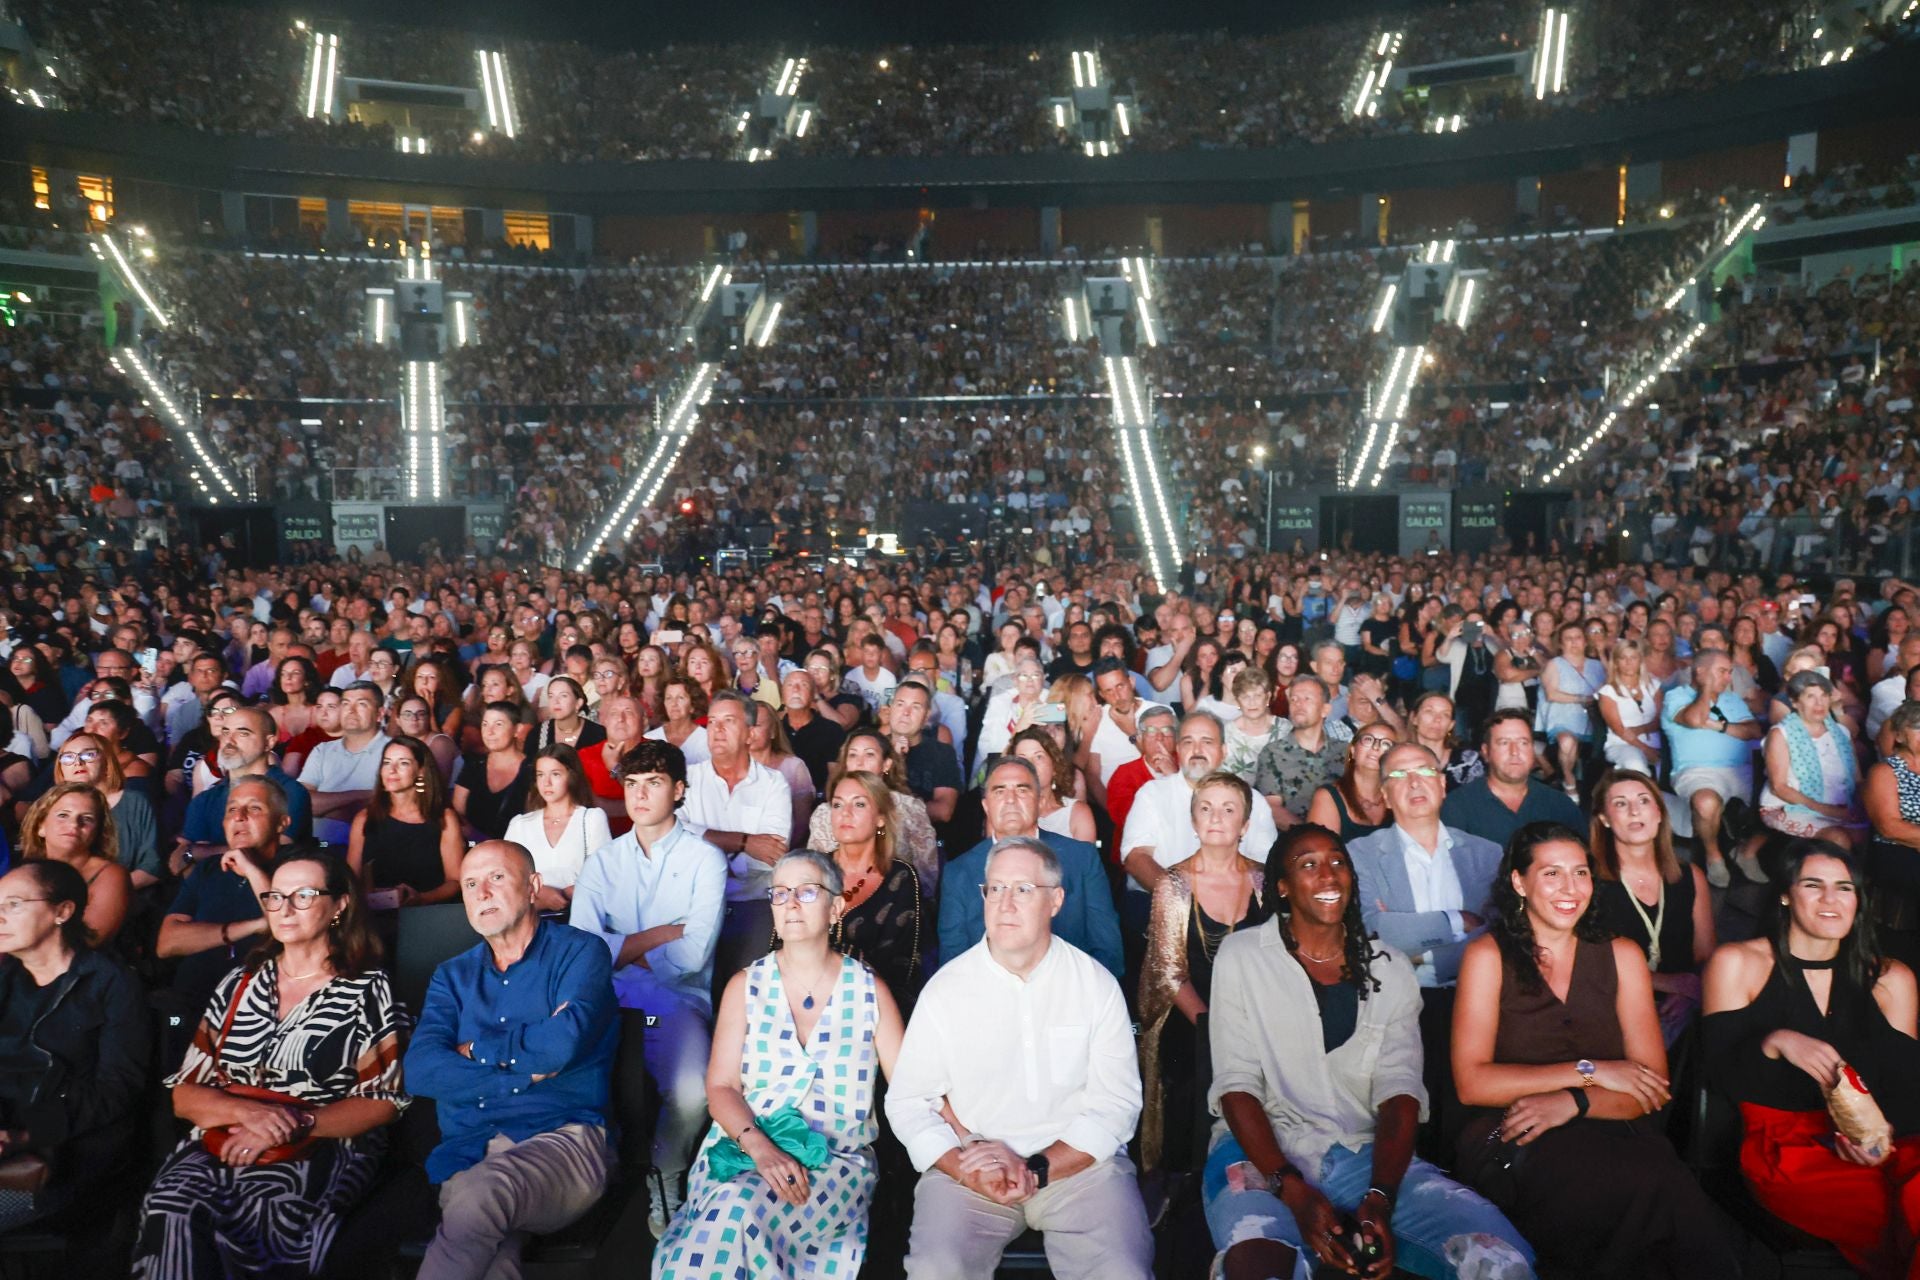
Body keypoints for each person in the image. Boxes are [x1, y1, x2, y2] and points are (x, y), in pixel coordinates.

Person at [1204, 823, 1535, 1280]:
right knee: (1256, 1267)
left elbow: (1399, 1091)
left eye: (1338, 862)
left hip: (1362, 1153)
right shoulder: (1242, 956)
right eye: (1308, 865)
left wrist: (1380, 1195)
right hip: (1259, 1153)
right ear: (1282, 886)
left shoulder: (1390, 968)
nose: (1327, 875)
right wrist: (1291, 1189)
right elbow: (1236, 1085)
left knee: (1504, 1262)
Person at [1451, 822, 1741, 1277]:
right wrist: (1592, 1070)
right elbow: (1473, 1084)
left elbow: (1652, 1088)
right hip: (1514, 1134)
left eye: (1581, 873)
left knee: (1662, 1184)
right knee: (1644, 1188)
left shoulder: (1622, 954)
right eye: (1551, 874)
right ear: (1518, 882)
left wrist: (1575, 1100)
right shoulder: (1487, 956)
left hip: (1613, 1127)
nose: (1570, 889)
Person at [887, 836, 1153, 1280]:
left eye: (1023, 889)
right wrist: (963, 1167)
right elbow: (909, 1101)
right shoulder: (946, 990)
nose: (1005, 903)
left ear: (1056, 901)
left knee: (1121, 1272)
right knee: (936, 1269)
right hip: (971, 1169)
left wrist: (1035, 1169)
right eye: (995, 888)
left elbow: (1116, 1106)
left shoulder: (1095, 986)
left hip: (1079, 1169)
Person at [132, 851, 409, 1278]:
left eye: (303, 895)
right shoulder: (240, 983)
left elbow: (382, 1102)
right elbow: (186, 1094)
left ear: (340, 906)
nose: (284, 908)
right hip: (224, 1136)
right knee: (173, 1204)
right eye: (276, 897)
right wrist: (251, 1114)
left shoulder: (367, 989)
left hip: (321, 1144)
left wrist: (291, 1124)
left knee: (267, 1212)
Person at [654, 850, 908, 1279]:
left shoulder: (869, 991)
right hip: (743, 1148)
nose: (790, 903)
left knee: (741, 1214)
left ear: (836, 907)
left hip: (832, 1165)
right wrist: (759, 1148)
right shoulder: (746, 986)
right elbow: (721, 1088)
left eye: (807, 892)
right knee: (732, 1209)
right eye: (780, 893)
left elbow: (909, 1088)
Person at [1703, 838, 1920, 1277]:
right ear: (1785, 893)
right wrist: (1774, 1042)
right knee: (1896, 1209)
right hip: (1785, 1145)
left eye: (1844, 887)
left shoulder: (1891, 978)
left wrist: (1878, 1142)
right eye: (1813, 885)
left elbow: (1906, 1085)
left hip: (1884, 1136)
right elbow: (1717, 1078)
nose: (1830, 900)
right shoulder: (1738, 962)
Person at [405, 841, 619, 1280]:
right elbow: (421, 1070)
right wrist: (523, 1074)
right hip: (469, 1148)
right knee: (495, 1256)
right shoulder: (452, 976)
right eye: (469, 884)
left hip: (562, 1140)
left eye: (496, 878)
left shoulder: (580, 953)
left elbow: (561, 1045)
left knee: (481, 1199)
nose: (481, 892)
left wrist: (473, 1051)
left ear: (533, 887)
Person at [569, 741, 727, 1233]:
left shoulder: (706, 860)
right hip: (608, 995)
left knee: (690, 1092)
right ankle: (585, 1174)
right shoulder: (603, 861)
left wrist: (623, 948)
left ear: (679, 790)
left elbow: (691, 956)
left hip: (676, 1000)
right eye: (631, 784)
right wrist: (661, 933)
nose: (639, 795)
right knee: (565, 1072)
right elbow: (583, 947)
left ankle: (668, 1169)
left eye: (653, 782)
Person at [0, 859, 149, 1233]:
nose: (0, 917)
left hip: (61, 1157)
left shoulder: (111, 985)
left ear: (62, 911)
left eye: (13, 905)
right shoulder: (5, 979)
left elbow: (117, 1091)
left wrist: (22, 1135)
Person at [1137, 770, 1267, 1180]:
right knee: (1198, 1076)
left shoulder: (1266, 879)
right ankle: (1188, 1186)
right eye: (1205, 808)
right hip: (1194, 1017)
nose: (1215, 817)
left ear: (1244, 825)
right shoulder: (1172, 884)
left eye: (1228, 809)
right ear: (1193, 821)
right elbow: (1168, 973)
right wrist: (1213, 1028)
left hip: (1257, 1012)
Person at [942, 758, 1124, 980]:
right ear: (986, 806)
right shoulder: (958, 873)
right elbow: (953, 965)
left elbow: (1108, 950)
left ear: (1039, 802)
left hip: (1072, 996)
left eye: (1022, 790)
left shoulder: (1082, 859)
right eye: (999, 791)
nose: (1010, 800)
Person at [1589, 767, 1715, 1045]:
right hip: (1611, 1007)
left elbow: (1705, 959)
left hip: (1680, 1010)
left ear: (1659, 814)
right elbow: (1584, 963)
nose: (1635, 811)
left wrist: (1686, 993)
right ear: (1604, 819)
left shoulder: (1691, 876)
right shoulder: (1586, 881)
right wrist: (1669, 983)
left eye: (1644, 801)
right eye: (1620, 804)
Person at [683, 692, 793, 994]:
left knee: (748, 991)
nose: (716, 730)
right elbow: (676, 838)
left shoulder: (773, 784)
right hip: (693, 902)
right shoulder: (688, 780)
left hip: (752, 901)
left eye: (728, 722)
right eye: (712, 722)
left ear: (749, 733)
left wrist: (704, 838)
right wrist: (743, 841)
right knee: (690, 990)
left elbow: (769, 854)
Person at [822, 770, 925, 1010]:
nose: (845, 813)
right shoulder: (810, 870)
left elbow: (904, 967)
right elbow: (781, 947)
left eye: (858, 804)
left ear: (880, 817)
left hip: (873, 1007)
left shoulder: (901, 877)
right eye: (837, 805)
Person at [1663, 649, 1766, 888]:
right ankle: (1714, 856)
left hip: (1742, 770)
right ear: (1700, 672)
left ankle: (1746, 852)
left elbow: (1753, 730)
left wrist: (1717, 726)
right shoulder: (1676, 696)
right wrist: (1706, 689)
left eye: (1730, 672)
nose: (1728, 678)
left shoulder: (1732, 699)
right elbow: (1693, 719)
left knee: (1781, 801)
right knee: (1706, 802)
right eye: (1722, 671)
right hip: (1698, 771)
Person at [807, 731, 941, 897]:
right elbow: (812, 871)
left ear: (886, 765)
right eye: (853, 755)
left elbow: (927, 873)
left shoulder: (909, 808)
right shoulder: (824, 813)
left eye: (869, 755)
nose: (859, 762)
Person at [177, 705, 315, 856]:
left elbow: (274, 852)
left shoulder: (289, 792)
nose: (229, 740)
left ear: (269, 743)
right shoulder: (205, 799)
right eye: (225, 732)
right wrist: (193, 853)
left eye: (243, 733)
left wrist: (197, 852)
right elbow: (183, 863)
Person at [1441, 709, 1586, 851]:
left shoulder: (1560, 806)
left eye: (1523, 742)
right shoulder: (1458, 806)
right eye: (1504, 743)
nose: (1515, 751)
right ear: (1486, 752)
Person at [347, 736, 464, 909]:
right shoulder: (364, 819)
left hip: (426, 914)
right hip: (375, 917)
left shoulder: (444, 818)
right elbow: (351, 881)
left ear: (421, 771)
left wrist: (421, 898)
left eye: (403, 763)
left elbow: (455, 881)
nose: (392, 770)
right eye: (387, 762)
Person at [503, 743, 611, 912]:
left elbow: (604, 876)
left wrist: (565, 895)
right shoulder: (520, 824)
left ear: (571, 776)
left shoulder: (591, 818)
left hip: (580, 915)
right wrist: (542, 895)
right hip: (530, 917)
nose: (546, 782)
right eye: (540, 775)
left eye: (555, 774)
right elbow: (506, 878)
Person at [1759, 670, 1864, 845]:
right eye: (1810, 697)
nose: (1819, 703)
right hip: (1790, 806)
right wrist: (1828, 810)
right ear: (1794, 701)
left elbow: (1858, 780)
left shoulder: (1842, 732)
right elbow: (1779, 787)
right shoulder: (1781, 734)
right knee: (1839, 839)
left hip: (1841, 807)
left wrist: (1859, 807)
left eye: (1824, 696)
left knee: (1868, 833)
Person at [19, 784, 131, 945]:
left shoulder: (111, 875)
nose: (74, 824)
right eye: (63, 815)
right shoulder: (24, 873)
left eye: (87, 818)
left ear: (98, 832)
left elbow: (90, 942)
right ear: (41, 826)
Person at [54, 729, 165, 888]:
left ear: (107, 762)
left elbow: (152, 868)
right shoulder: (51, 806)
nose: (78, 762)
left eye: (88, 755)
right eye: (68, 757)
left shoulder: (136, 802)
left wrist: (106, 893)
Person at [1253, 675, 1350, 829]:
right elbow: (1272, 807)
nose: (1298, 704)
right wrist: (1312, 836)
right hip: (1294, 844)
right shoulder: (1273, 753)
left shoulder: (1346, 752)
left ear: (1325, 710)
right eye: (1294, 699)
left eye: (1307, 699)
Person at [302, 682, 391, 846]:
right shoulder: (322, 750)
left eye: (362, 704)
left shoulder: (394, 751)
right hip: (315, 843)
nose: (351, 710)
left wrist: (328, 804)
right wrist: (362, 795)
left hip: (370, 843)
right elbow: (303, 803)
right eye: (345, 704)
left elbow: (391, 806)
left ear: (380, 714)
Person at [1538, 622, 1605, 796]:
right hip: (1562, 717)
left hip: (1592, 720)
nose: (1574, 642)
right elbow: (1551, 694)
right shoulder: (1554, 664)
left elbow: (1611, 684)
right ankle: (1569, 781)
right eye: (1568, 639)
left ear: (1585, 641)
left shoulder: (1597, 665)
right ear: (1561, 643)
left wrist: (1602, 654)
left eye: (1578, 638)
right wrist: (1583, 699)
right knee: (1567, 741)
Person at [452, 701, 532, 843]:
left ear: (517, 729)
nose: (489, 732)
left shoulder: (531, 770)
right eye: (485, 724)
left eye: (498, 724)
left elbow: (532, 822)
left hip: (513, 853)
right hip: (472, 850)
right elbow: (457, 814)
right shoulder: (474, 765)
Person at [1305, 721, 1396, 843]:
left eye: (1386, 744)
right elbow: (1320, 853)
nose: (1376, 747)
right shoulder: (1328, 797)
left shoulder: (1397, 797)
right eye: (1368, 740)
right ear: (1353, 750)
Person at [745, 698, 816, 849]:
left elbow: (802, 823)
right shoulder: (729, 766)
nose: (749, 731)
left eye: (756, 725)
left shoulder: (794, 767)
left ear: (772, 732)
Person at [1010, 726, 1097, 844]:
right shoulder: (1005, 812)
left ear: (1054, 767)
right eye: (1022, 759)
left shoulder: (1077, 814)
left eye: (1038, 757)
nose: (1030, 764)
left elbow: (1085, 860)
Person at [1597, 638, 1664, 774]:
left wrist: (1638, 729)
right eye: (1623, 658)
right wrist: (1645, 749)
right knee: (1636, 764)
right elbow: (1619, 730)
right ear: (1616, 663)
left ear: (1640, 661)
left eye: (1633, 657)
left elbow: (1660, 719)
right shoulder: (1608, 691)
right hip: (1623, 744)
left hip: (1656, 742)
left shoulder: (1653, 685)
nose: (1628, 663)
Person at [646, 676, 711, 766]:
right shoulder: (650, 739)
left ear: (693, 705)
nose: (674, 703)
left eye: (680, 698)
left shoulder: (707, 739)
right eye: (669, 698)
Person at [534, 676, 607, 753]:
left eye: (563, 696)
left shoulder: (598, 734)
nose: (556, 701)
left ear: (578, 703)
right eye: (551, 696)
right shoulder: (537, 733)